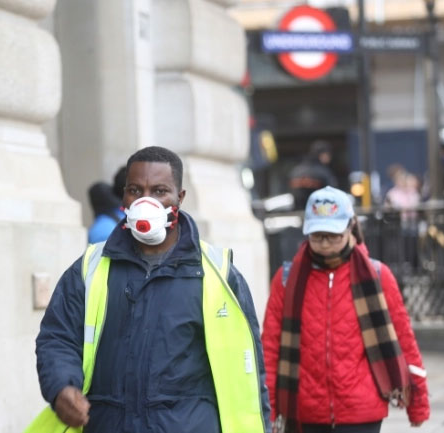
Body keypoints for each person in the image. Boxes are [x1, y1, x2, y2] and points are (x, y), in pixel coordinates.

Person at [28, 146, 270, 433]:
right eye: (135, 190)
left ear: (179, 198)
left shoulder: (217, 274)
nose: (146, 201)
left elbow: (249, 371)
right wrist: (62, 387)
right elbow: (58, 337)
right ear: (124, 197)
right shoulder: (90, 269)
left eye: (159, 191)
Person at [262, 186, 430, 433]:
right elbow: (270, 349)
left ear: (351, 228)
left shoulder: (378, 276)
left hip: (362, 411)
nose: (325, 244)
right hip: (305, 411)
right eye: (317, 236)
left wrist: (418, 403)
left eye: (333, 236)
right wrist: (269, 411)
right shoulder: (287, 280)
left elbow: (405, 340)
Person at [289, 140, 338, 210]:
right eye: (328, 154)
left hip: (298, 212)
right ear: (323, 155)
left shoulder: (296, 171)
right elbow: (333, 193)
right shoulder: (323, 172)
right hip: (319, 212)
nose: (329, 157)